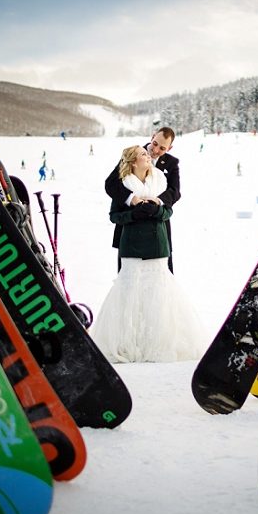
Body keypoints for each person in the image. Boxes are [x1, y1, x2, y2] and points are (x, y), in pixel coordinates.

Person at [91, 145, 207, 363]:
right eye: (144, 154)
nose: (149, 155)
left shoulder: (160, 182)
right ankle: (128, 344)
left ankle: (159, 341)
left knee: (159, 294)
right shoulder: (123, 187)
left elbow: (169, 210)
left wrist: (159, 210)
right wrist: (133, 214)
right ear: (134, 162)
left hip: (158, 246)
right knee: (130, 293)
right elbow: (114, 216)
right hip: (132, 248)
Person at [105, 127, 180, 273]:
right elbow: (111, 184)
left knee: (162, 277)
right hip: (130, 230)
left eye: (162, 148)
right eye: (155, 143)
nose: (155, 150)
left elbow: (175, 192)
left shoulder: (171, 163)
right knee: (128, 277)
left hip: (157, 227)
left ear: (169, 148)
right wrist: (131, 199)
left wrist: (157, 202)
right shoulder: (134, 154)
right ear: (152, 137)